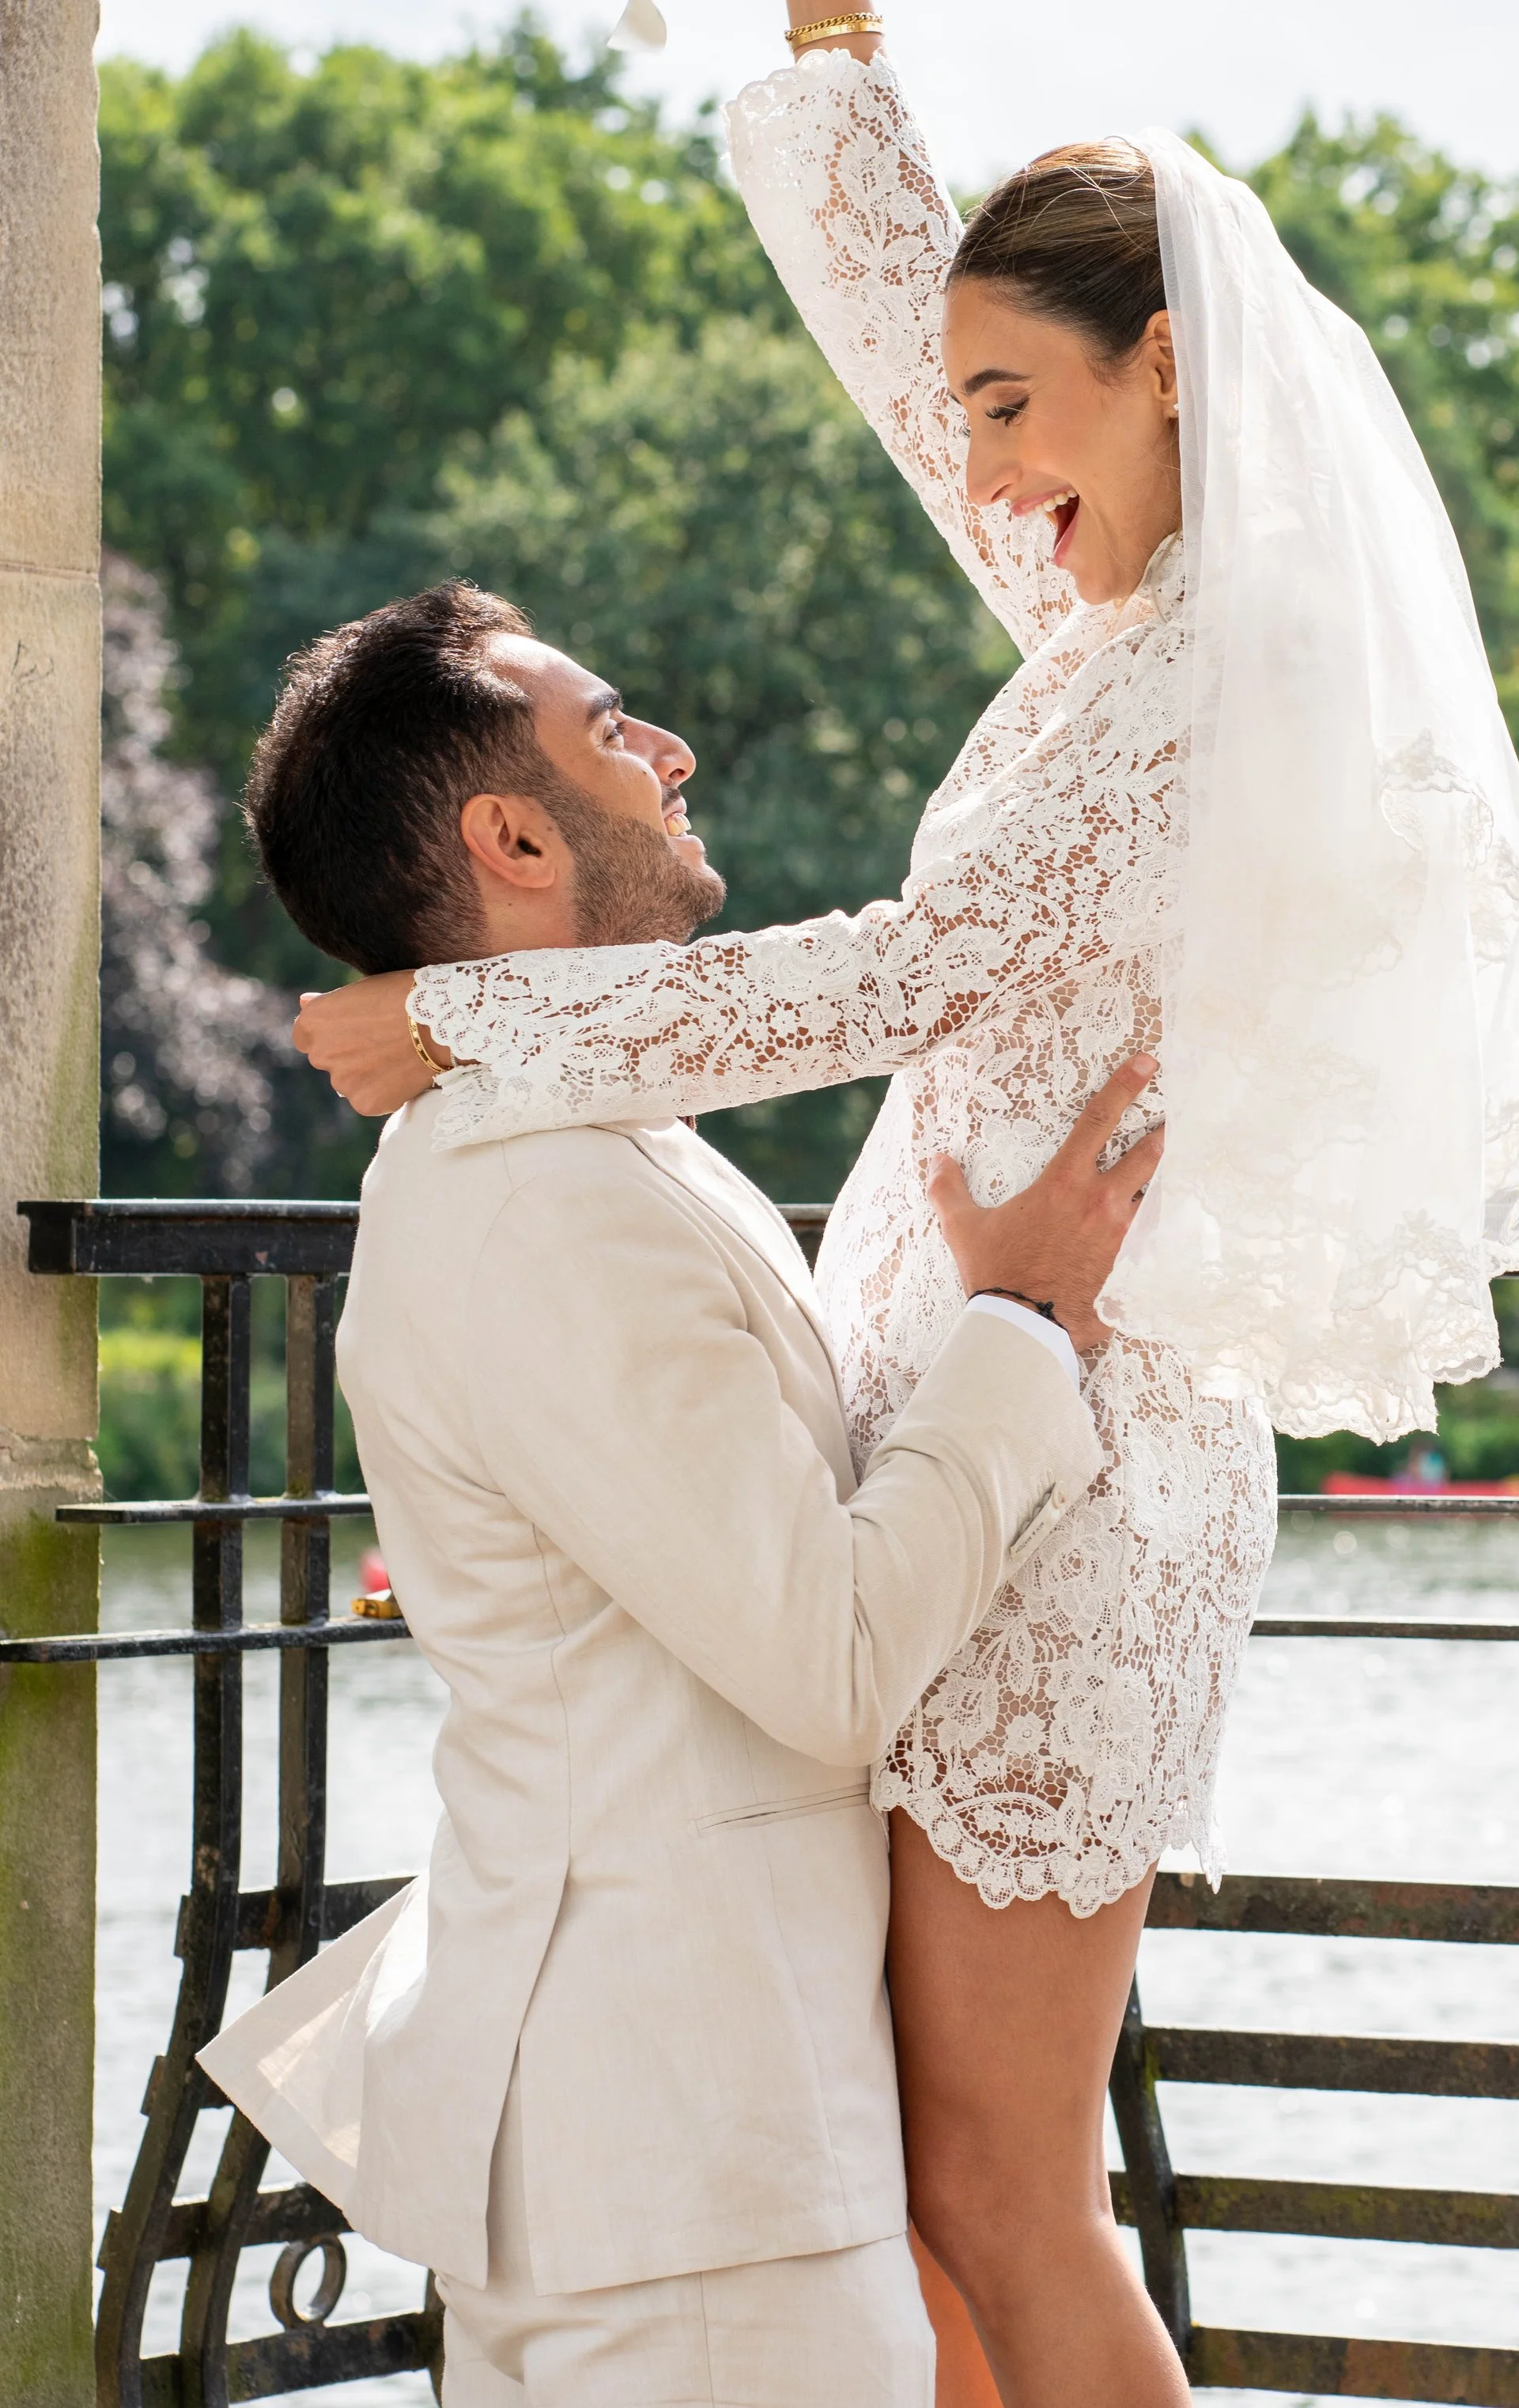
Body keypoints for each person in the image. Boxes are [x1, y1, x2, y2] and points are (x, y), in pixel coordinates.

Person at [293, 0, 1519, 2408]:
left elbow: (891, 973)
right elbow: (917, 317)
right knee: (923, 2193)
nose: (978, 459)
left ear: (1170, 382)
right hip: (961, 1425)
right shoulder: (1116, 603)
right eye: (974, 412)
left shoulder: (1195, 676)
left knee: (1001, 2184)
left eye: (1024, 407)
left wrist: (465, 1017)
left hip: (1061, 1469)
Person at [198, 580, 1162, 2408]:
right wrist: (1020, 1323)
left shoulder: (590, 1146)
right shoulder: (540, 1201)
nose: (671, 751)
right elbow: (832, 1653)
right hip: (677, 2172)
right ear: (512, 834)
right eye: (612, 726)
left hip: (694, 2149)